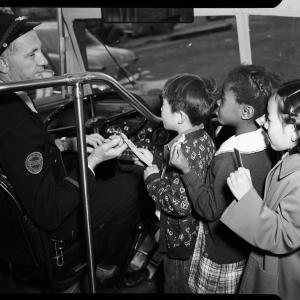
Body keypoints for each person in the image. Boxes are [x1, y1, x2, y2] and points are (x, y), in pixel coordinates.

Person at [0, 11, 142, 285]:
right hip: (54, 229)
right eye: (32, 55)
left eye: (41, 50)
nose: (43, 61)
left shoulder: (11, 100)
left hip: (29, 214)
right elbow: (50, 212)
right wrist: (92, 161)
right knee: (131, 185)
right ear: (3, 64)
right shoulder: (14, 123)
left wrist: (69, 144)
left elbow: (28, 154)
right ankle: (106, 269)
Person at [169, 65, 281, 293]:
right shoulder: (269, 146)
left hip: (219, 254)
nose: (217, 103)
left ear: (246, 112)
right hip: (244, 248)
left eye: (222, 98)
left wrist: (186, 170)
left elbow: (209, 209)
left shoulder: (229, 159)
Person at [135, 73, 217, 293]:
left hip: (181, 238)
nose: (159, 108)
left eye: (163, 105)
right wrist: (154, 161)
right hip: (192, 234)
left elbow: (180, 206)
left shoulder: (183, 150)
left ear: (180, 116)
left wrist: (152, 180)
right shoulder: (202, 137)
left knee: (176, 284)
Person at [221, 79, 300, 300]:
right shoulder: (290, 152)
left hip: (282, 281)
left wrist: (246, 197)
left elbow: (283, 235)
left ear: (293, 132)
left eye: (270, 119)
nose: (264, 123)